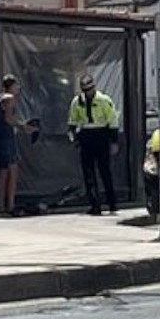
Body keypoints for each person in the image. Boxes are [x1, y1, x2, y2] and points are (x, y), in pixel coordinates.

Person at [67, 73, 120, 215]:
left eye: (89, 89)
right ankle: (95, 206)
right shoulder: (77, 102)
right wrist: (73, 136)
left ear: (94, 87)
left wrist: (114, 141)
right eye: (84, 90)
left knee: (105, 172)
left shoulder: (104, 100)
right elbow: (72, 121)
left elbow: (113, 121)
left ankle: (112, 204)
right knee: (88, 173)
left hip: (101, 135)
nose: (87, 93)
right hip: (86, 136)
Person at [0, 74, 39, 216]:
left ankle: (0, 204)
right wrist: (23, 126)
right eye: (16, 85)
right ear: (11, 86)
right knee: (13, 170)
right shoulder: (9, 98)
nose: (18, 88)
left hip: (0, 138)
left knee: (3, 172)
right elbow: (8, 118)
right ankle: (10, 204)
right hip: (7, 138)